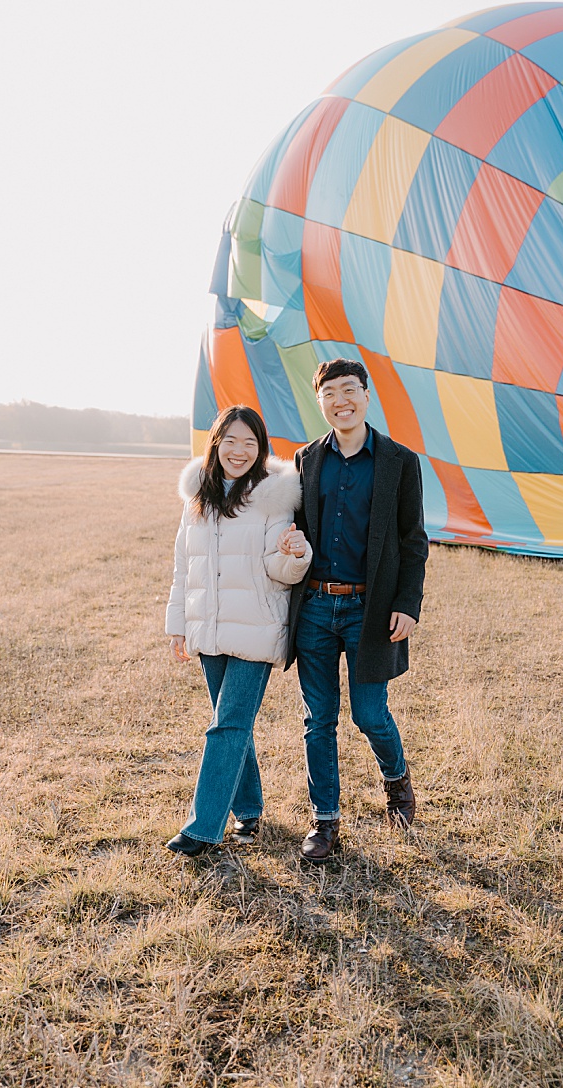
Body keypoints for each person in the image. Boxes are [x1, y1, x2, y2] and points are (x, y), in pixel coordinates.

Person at [284, 358, 426, 861]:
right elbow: (289, 525)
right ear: (319, 401)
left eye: (349, 391)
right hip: (316, 609)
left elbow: (414, 541)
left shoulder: (400, 462)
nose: (340, 401)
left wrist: (408, 604)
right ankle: (324, 821)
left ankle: (397, 783)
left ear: (366, 396)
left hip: (372, 610)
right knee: (318, 719)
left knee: (369, 715)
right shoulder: (303, 461)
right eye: (329, 394)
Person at [162, 405, 310, 855]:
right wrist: (178, 626)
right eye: (231, 440)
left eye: (250, 442)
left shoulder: (272, 498)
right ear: (216, 444)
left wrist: (294, 553)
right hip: (208, 630)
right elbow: (183, 569)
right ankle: (249, 813)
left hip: (256, 629)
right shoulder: (198, 501)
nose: (240, 451)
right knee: (230, 725)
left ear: (261, 449)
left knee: (227, 726)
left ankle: (202, 828)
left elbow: (281, 571)